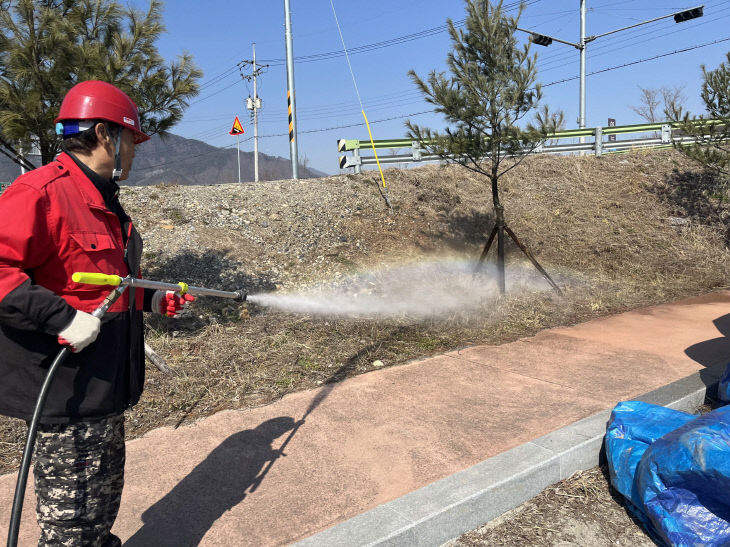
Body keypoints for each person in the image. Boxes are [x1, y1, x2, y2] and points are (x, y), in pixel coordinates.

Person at [0, 80, 194, 546]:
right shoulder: (40, 194)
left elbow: (105, 284)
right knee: (71, 529)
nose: (134, 152)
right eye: (132, 140)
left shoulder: (104, 200)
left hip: (103, 390)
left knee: (98, 511)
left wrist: (150, 299)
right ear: (106, 135)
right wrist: (60, 318)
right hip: (65, 395)